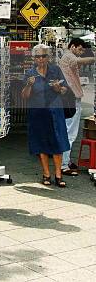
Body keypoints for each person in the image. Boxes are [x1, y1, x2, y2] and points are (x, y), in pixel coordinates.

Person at [22, 44, 70, 188]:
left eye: (44, 56)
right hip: (38, 113)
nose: (41, 59)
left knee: (58, 142)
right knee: (41, 143)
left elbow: (65, 90)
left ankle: (58, 175)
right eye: (38, 56)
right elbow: (24, 96)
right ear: (33, 58)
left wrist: (58, 88)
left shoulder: (56, 70)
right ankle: (46, 174)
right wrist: (29, 85)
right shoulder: (29, 73)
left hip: (55, 111)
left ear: (48, 57)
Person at [59, 38, 95, 176]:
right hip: (71, 99)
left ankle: (65, 161)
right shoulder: (69, 56)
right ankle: (64, 164)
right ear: (73, 46)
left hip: (71, 96)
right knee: (70, 133)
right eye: (80, 49)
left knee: (69, 131)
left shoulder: (67, 56)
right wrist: (92, 57)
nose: (80, 52)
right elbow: (79, 61)